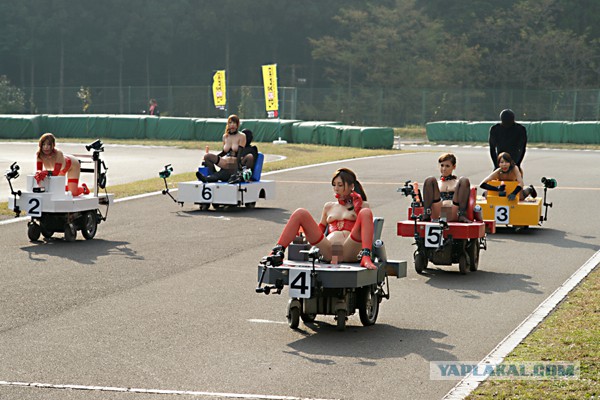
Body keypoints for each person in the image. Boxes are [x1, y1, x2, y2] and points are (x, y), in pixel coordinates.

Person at [268, 168, 377, 270]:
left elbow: (364, 226)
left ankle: (365, 256)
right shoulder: (329, 206)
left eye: (340, 185)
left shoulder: (362, 205)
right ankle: (278, 251)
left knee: (366, 212)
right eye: (334, 185)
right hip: (329, 250)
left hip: (350, 249)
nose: (336, 189)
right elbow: (320, 229)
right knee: (300, 213)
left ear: (351, 186)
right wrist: (306, 233)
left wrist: (357, 208)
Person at [420, 153, 472, 223]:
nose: (444, 169)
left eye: (447, 166)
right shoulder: (436, 183)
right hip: (438, 212)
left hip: (454, 211)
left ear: (454, 167)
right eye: (442, 165)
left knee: (464, 180)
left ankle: (462, 215)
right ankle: (426, 214)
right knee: (430, 179)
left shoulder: (458, 183)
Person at [196, 114, 247, 183]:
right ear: (227, 124)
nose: (232, 125)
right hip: (225, 161)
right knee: (207, 156)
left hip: (235, 162)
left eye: (234, 123)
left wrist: (238, 169)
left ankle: (211, 178)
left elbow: (240, 154)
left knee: (225, 170)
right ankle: (213, 176)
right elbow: (224, 152)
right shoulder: (225, 136)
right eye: (230, 122)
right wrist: (215, 158)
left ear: (237, 125)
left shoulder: (242, 136)